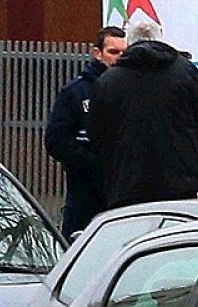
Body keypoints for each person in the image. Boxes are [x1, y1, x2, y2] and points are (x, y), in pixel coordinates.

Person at [87, 18, 198, 209]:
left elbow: (95, 133)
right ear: (161, 38)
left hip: (126, 186)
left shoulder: (108, 81)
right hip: (180, 185)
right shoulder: (185, 71)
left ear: (128, 42)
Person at [45, 26, 126, 237]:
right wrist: (92, 163)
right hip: (85, 193)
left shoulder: (131, 90)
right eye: (113, 52)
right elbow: (56, 139)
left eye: (123, 53)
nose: (118, 58)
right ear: (97, 53)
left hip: (122, 191)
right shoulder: (76, 92)